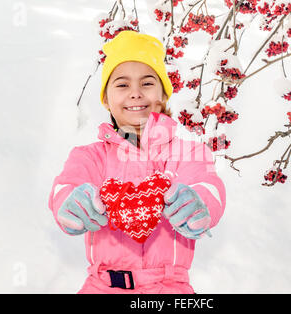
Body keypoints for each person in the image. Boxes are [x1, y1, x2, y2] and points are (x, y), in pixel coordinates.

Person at [48, 30, 226, 294]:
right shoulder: (90, 156)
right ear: (106, 99)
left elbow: (209, 185)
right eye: (122, 85)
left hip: (170, 288)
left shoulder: (188, 152)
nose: (135, 93)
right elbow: (64, 187)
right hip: (101, 285)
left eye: (147, 83)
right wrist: (71, 203)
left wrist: (198, 203)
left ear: (163, 94)